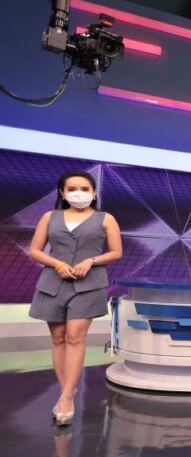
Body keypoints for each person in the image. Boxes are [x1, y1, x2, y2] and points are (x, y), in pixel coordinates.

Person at [28, 170, 122, 426]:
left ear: (94, 192)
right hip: (53, 283)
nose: (78, 193)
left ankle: (67, 397)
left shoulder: (106, 219)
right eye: (71, 189)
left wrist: (91, 260)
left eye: (84, 188)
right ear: (62, 192)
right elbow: (35, 250)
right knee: (58, 338)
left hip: (89, 284)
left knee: (75, 336)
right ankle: (66, 390)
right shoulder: (49, 217)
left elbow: (116, 252)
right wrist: (58, 264)